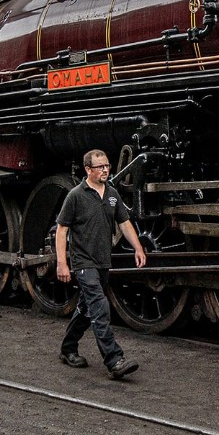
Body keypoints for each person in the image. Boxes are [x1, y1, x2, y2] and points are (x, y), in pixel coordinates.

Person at [55, 149, 147, 379]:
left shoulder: (112, 194)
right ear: (88, 169)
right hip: (83, 262)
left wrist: (138, 247)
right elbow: (62, 230)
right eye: (100, 167)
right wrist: (62, 263)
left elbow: (124, 223)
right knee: (99, 306)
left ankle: (67, 349)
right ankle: (114, 360)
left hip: (103, 261)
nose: (106, 170)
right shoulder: (75, 195)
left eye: (107, 166)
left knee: (87, 310)